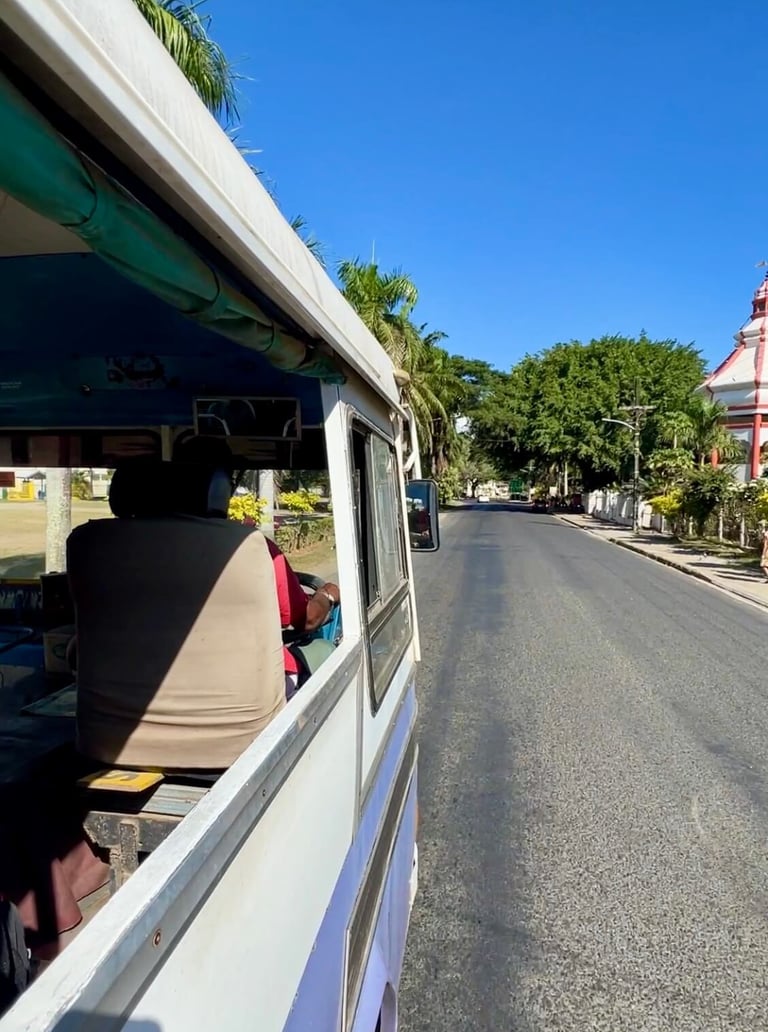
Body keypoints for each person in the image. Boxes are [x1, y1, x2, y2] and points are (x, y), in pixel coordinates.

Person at [173, 437, 340, 697]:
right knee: (327, 652)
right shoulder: (251, 549)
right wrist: (326, 595)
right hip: (246, 697)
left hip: (119, 712)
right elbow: (306, 619)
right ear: (218, 488)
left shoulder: (98, 547)